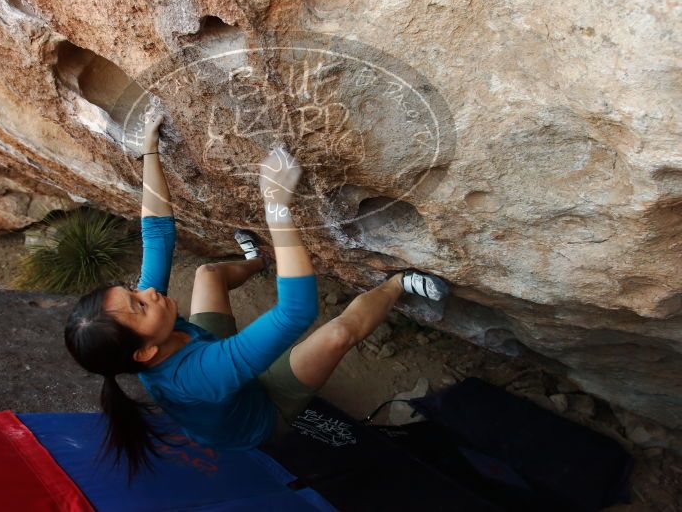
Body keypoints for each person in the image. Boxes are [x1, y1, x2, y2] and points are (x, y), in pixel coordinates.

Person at [64, 112, 449, 479]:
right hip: (264, 411)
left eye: (133, 290)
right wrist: (277, 208)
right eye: (139, 304)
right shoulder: (197, 377)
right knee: (337, 334)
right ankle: (397, 284)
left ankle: (258, 261)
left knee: (208, 274)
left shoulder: (151, 328)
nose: (148, 290)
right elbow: (296, 312)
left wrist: (149, 150)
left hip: (219, 365)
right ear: (144, 352)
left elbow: (157, 234)